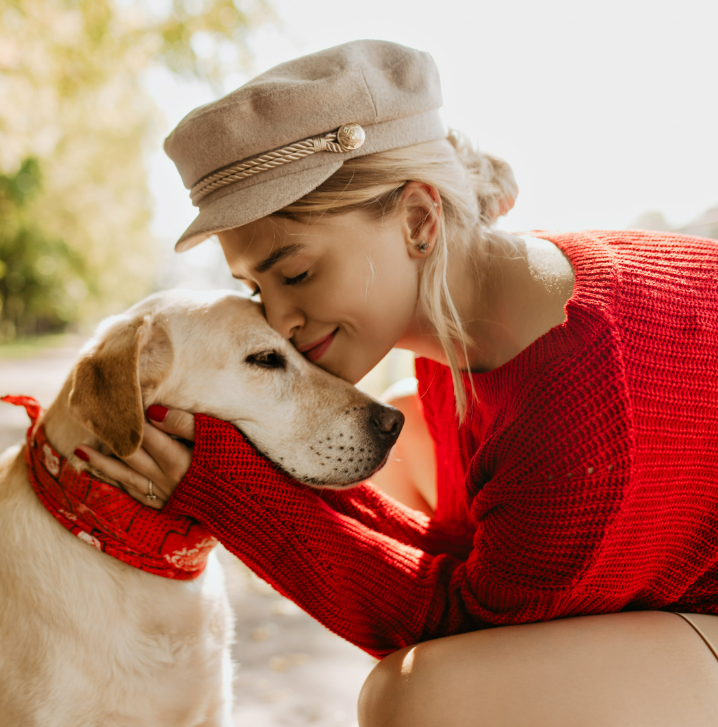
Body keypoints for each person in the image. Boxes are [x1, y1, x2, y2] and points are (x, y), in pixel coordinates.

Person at [75, 40, 718, 725]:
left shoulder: (581, 393)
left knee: (422, 694)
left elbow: (464, 624)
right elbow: (464, 551)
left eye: (294, 273)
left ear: (417, 218)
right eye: (254, 287)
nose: (280, 320)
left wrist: (229, 490)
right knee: (400, 451)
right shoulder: (481, 318)